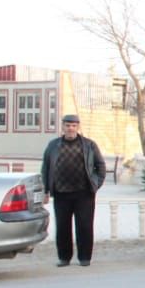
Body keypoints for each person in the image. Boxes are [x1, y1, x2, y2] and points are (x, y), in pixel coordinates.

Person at [41, 114, 106, 266]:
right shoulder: (53, 145)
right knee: (63, 227)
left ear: (78, 127)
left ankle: (84, 258)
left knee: (84, 226)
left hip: (84, 193)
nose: (70, 128)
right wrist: (46, 190)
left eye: (73, 126)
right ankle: (64, 257)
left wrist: (96, 185)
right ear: (62, 127)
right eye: (67, 125)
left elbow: (100, 166)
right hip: (61, 193)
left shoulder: (89, 145)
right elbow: (45, 168)